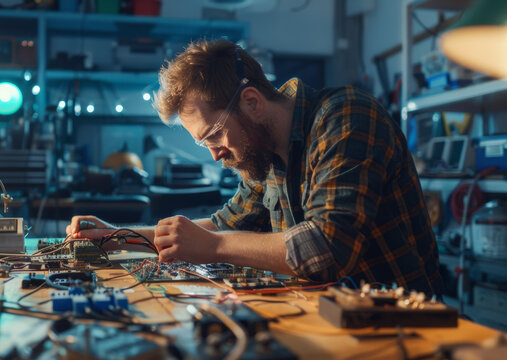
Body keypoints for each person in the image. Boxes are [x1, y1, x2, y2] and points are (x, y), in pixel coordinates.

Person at [67, 39, 444, 296]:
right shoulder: (264, 155)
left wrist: (213, 248)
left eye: (214, 136)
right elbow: (224, 225)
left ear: (251, 102)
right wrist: (119, 236)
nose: (215, 154)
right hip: (325, 319)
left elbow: (326, 250)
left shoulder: (345, 117)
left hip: (401, 329)